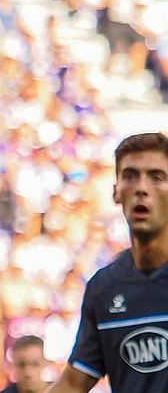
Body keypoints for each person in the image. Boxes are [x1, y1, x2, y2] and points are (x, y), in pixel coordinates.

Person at [48, 133, 168, 392]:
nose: (141, 188)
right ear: (115, 192)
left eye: (157, 177)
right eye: (130, 176)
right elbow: (73, 384)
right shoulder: (105, 288)